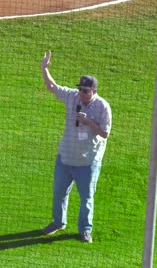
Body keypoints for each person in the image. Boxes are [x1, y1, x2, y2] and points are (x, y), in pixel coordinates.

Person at [40, 50, 112, 243]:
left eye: (86, 91)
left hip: (87, 161)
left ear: (94, 91)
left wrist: (89, 122)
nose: (82, 93)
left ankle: (85, 230)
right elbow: (52, 87)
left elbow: (105, 133)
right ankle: (58, 222)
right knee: (59, 193)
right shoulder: (72, 97)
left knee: (86, 198)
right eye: (80, 89)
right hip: (65, 158)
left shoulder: (103, 107)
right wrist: (44, 69)